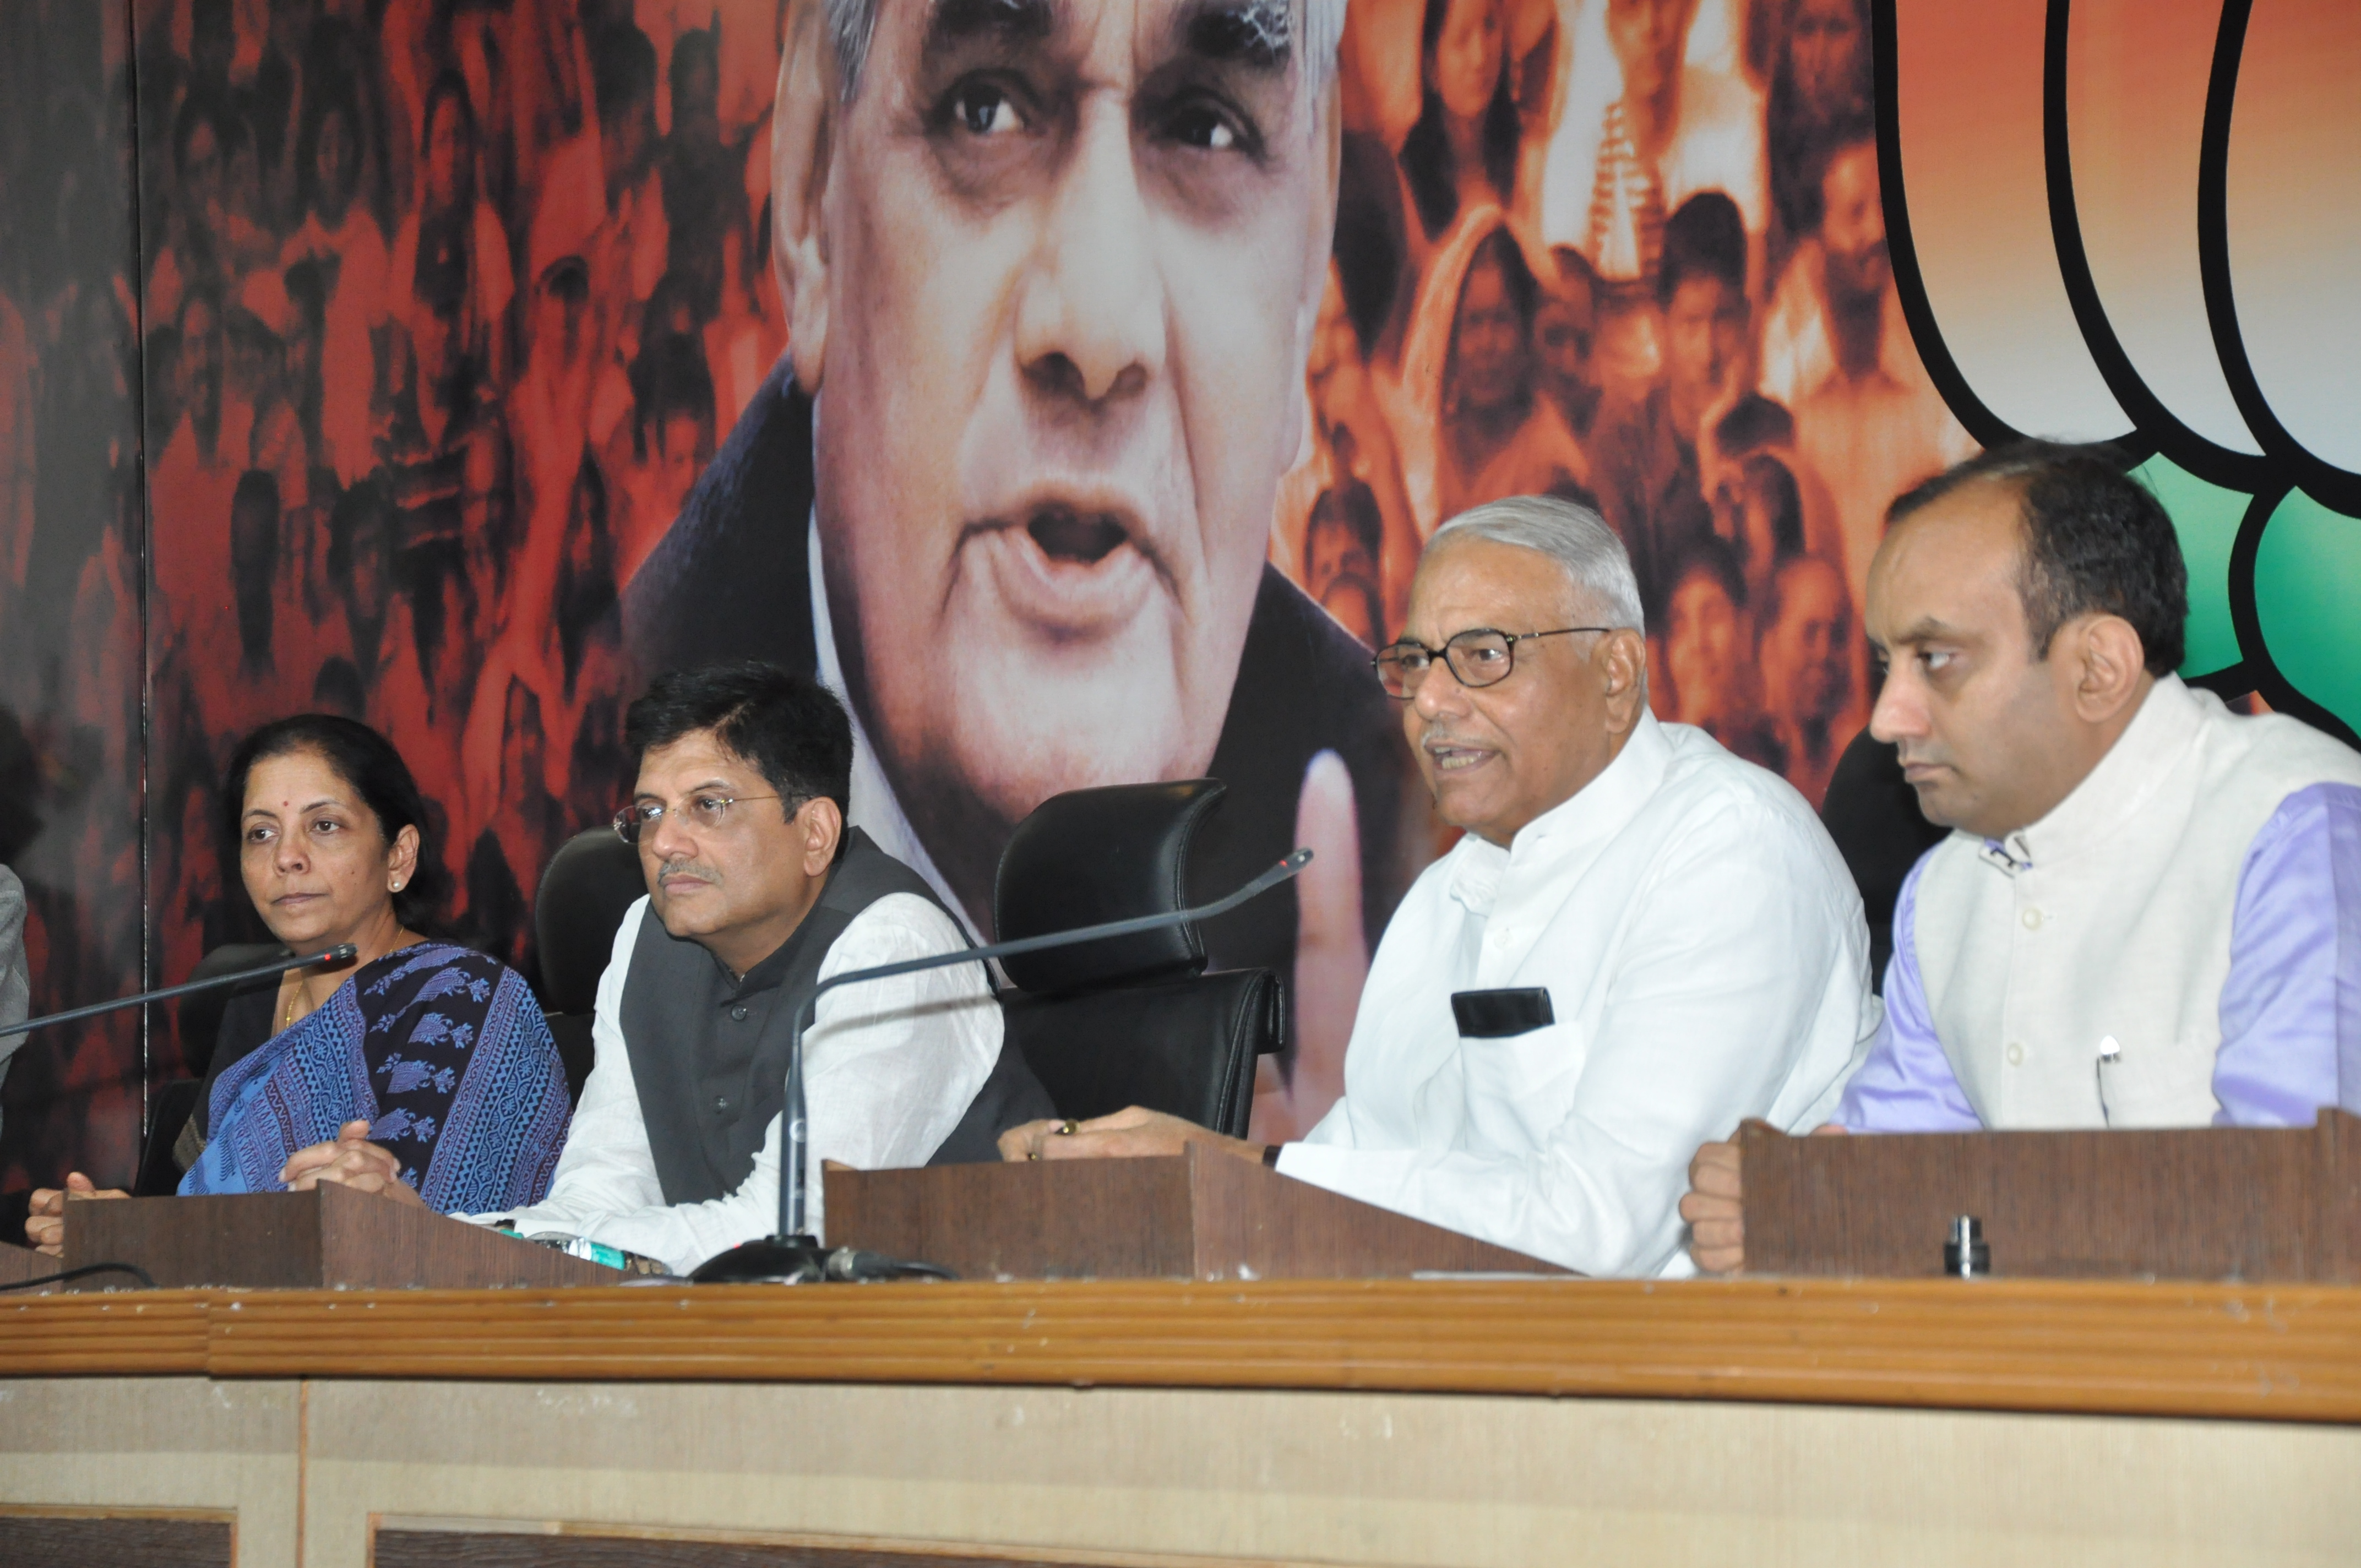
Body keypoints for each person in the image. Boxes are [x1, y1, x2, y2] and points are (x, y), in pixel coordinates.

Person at [622, 0, 1407, 1117]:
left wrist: (1338, 1213)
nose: (1096, 328)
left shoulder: (1411, 874)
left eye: (1206, 128)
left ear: (1303, 293)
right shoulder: (594, 793)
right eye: (982, 109)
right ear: (809, 199)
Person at [1004, 496, 1874, 1277]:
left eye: (1484, 657)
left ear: (1615, 673)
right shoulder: (1441, 897)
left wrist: (1240, 1171)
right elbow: (1358, 1171)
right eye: (1418, 662)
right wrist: (1159, 1180)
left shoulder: (1726, 849)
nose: (1431, 703)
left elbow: (1601, 1232)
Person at [1681, 444, 2361, 1273]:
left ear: (2097, 667)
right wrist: (1794, 1197)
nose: (1889, 717)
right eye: (1886, 665)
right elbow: (1891, 1173)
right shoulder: (1945, 890)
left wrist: (1903, 1217)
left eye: (1936, 661)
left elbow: (2298, 1214)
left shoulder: (2297, 830)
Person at [473, 662, 1053, 1276]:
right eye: (650, 811)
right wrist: (449, 1238)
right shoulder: (645, 935)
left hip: (968, 1334)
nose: (666, 842)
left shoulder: (894, 945)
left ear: (814, 834)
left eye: (708, 805)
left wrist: (549, 1248)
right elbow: (602, 1186)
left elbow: (784, 1232)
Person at [24, 716, 571, 1254]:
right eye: (261, 833)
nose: (287, 857)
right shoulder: (251, 1001)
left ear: (398, 855)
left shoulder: (464, 995)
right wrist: (117, 1228)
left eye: (324, 825)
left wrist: (148, 1235)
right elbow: (195, 1218)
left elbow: (406, 1224)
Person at [1756, 551, 1863, 806]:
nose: (1824, 653)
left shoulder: (1859, 764)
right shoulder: (1747, 762)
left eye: (1836, 635)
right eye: (1810, 633)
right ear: (1771, 644)